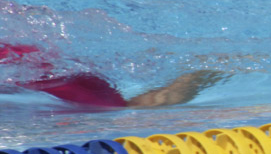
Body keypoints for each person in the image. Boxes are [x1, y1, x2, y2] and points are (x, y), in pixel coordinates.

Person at [1, 41, 220, 108]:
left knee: (120, 111)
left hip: (53, 77)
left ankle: (207, 70)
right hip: (36, 61)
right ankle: (208, 69)